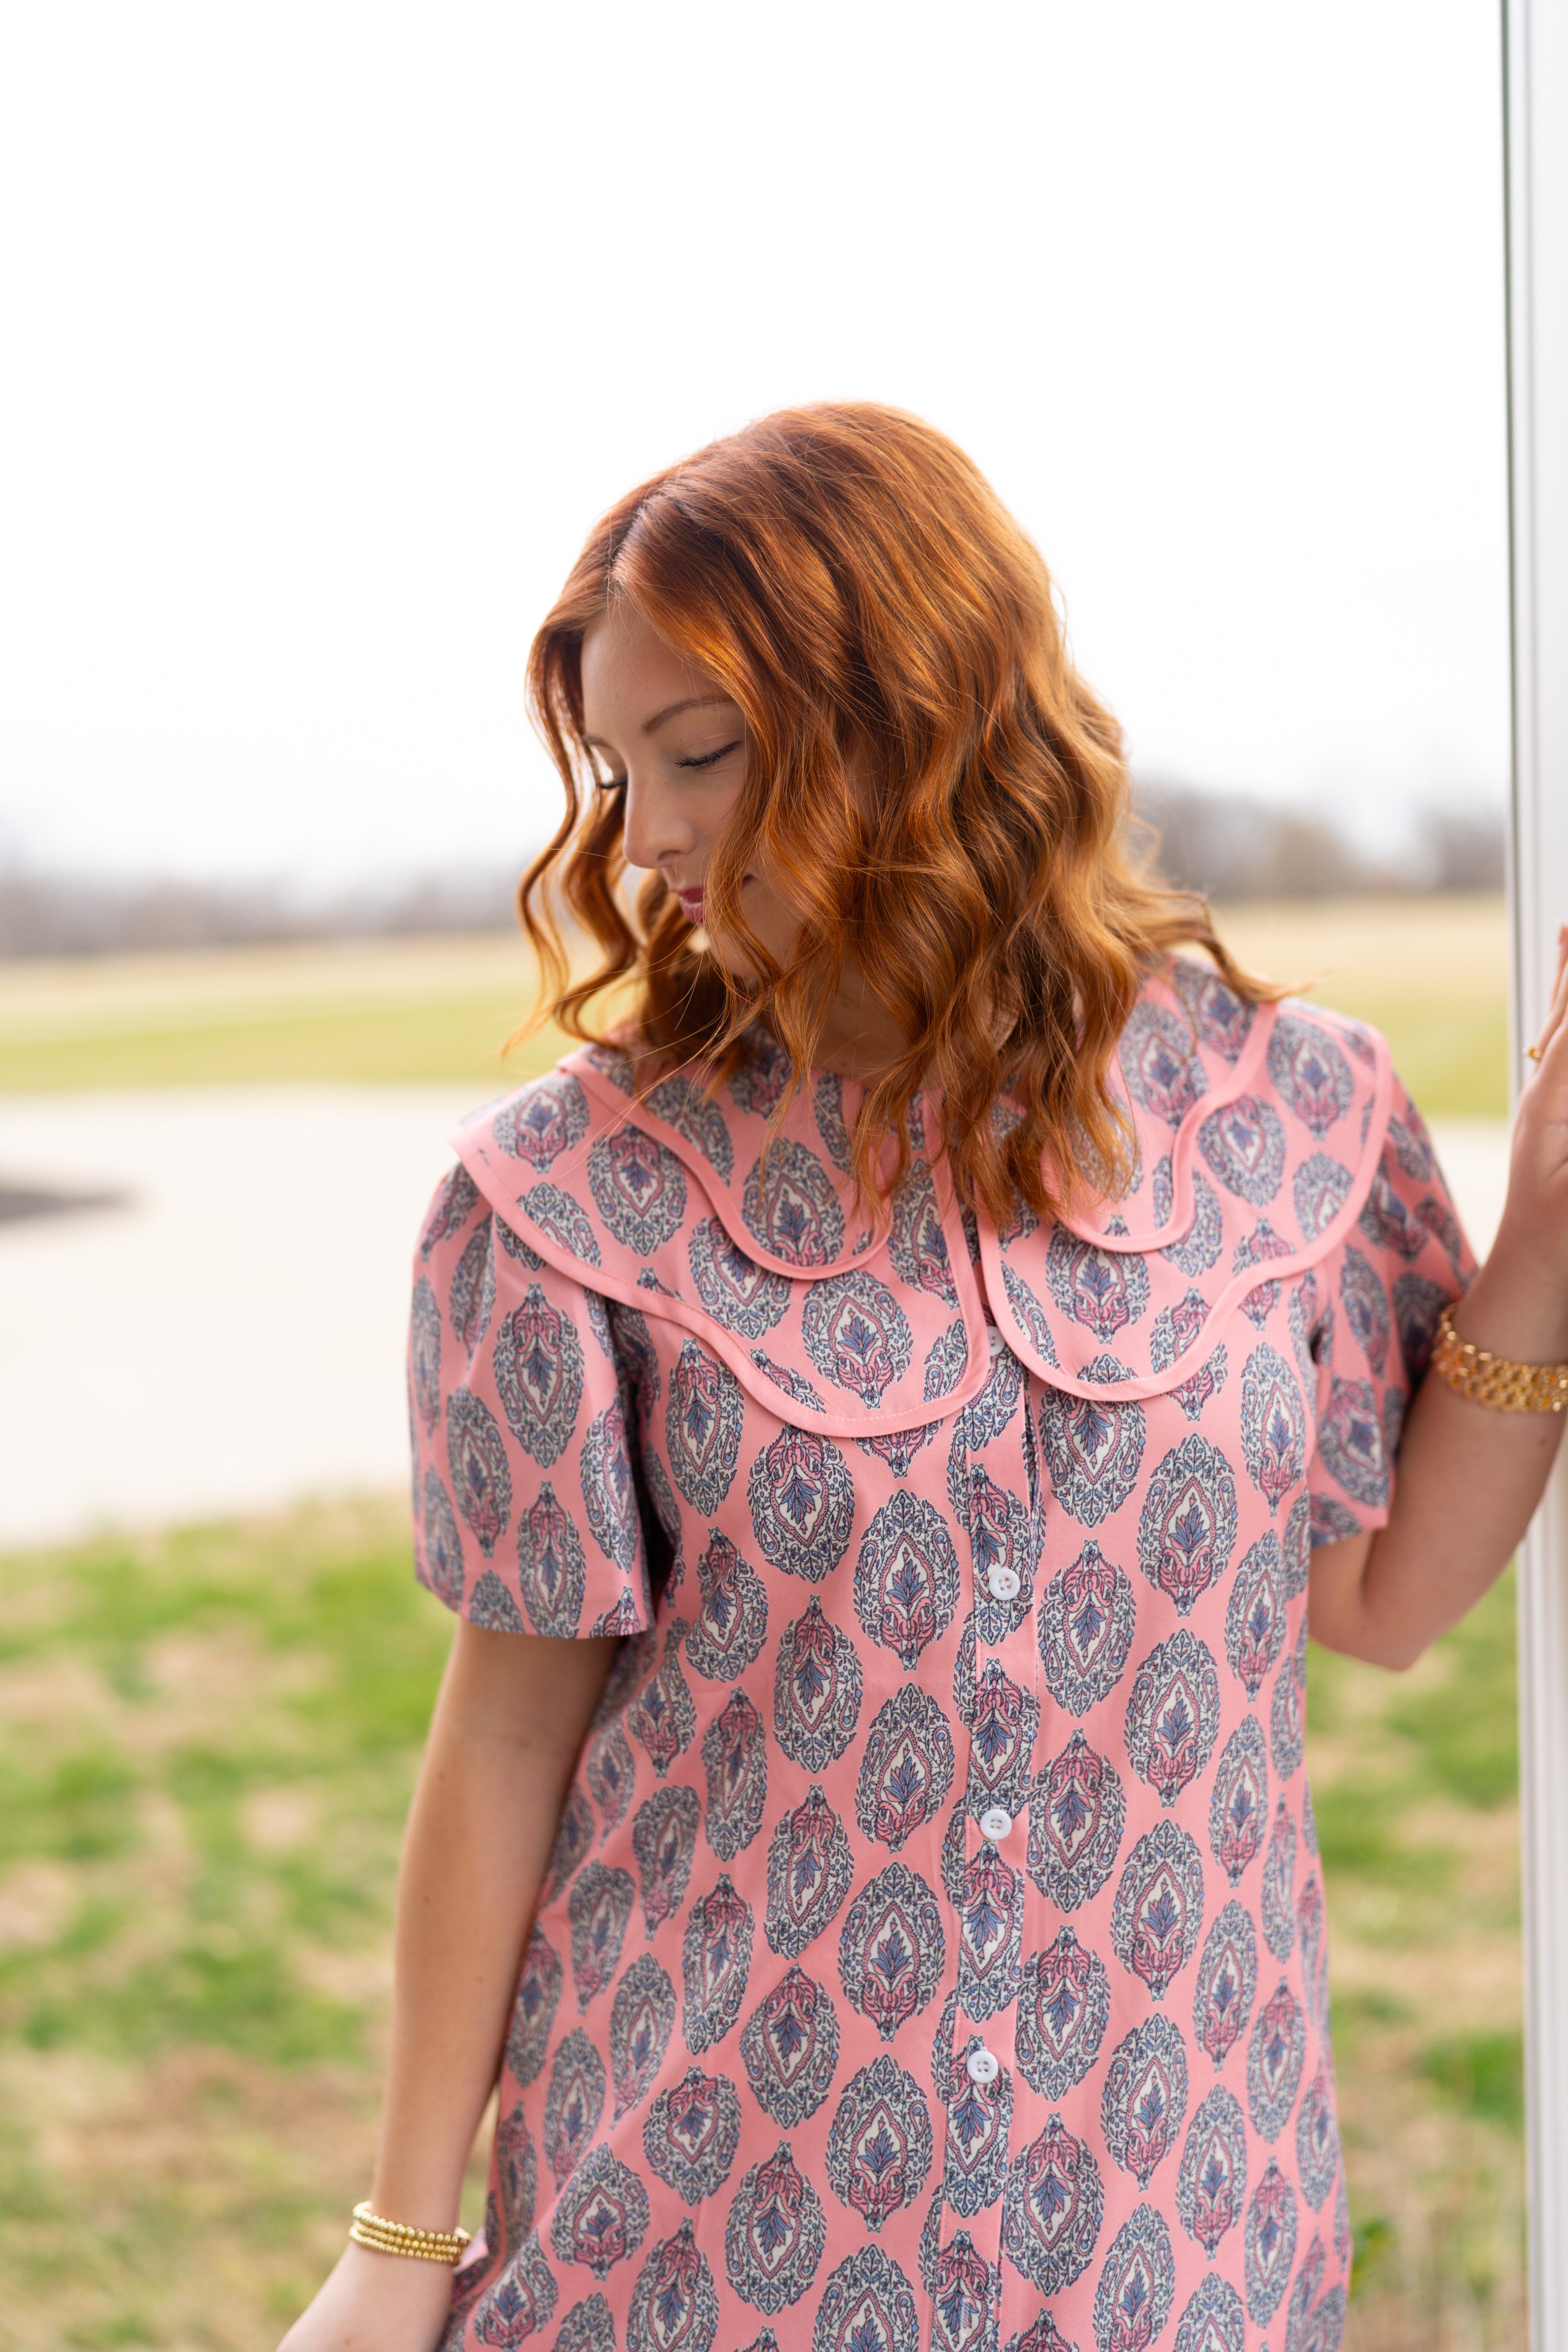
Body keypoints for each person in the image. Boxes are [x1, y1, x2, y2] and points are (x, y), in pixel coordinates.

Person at [280, 403, 1568, 2352]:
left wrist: (1546, 1235)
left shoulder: (1294, 1110)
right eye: (622, 770)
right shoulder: (562, 1200)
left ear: (920, 714)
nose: (648, 839)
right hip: (698, 2251)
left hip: (1179, 2238)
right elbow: (507, 1739)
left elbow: (1377, 1604)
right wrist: (398, 2242)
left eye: (701, 754)